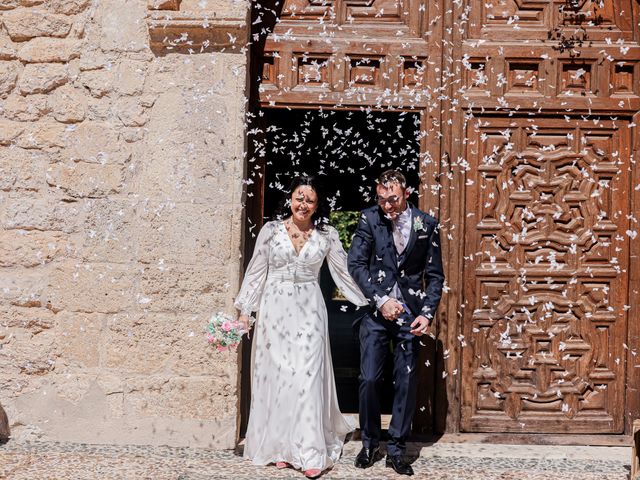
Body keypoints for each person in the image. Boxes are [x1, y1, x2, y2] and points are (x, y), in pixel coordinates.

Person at [235, 176, 368, 479]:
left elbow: (343, 274)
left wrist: (371, 302)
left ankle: (310, 452)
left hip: (310, 310)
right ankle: (282, 448)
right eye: (299, 197)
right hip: (274, 311)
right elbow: (256, 272)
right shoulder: (270, 231)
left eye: (310, 200)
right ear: (290, 198)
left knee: (307, 377)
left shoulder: (327, 236)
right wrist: (245, 313)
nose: (303, 204)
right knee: (280, 377)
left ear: (317, 204)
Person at [347, 169, 445, 476]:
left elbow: (435, 276)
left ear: (406, 194)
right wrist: (381, 299)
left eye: (392, 199)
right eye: (381, 199)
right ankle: (369, 442)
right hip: (376, 312)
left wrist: (426, 313)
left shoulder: (426, 224)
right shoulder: (368, 219)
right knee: (369, 379)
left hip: (410, 314)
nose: (386, 206)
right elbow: (356, 264)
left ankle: (397, 448)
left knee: (405, 380)